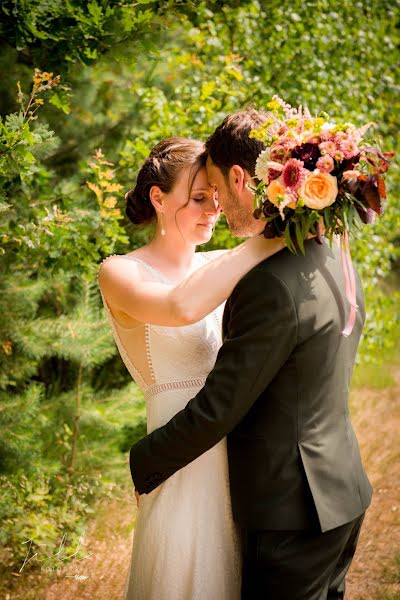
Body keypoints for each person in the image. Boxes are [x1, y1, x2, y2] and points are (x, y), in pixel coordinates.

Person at [129, 112, 373, 600]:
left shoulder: (268, 284)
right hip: (339, 490)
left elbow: (223, 403)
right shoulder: (328, 257)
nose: (216, 204)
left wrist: (144, 459)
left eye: (216, 188)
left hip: (291, 510)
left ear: (240, 178)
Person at [97, 137, 286, 600]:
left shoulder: (223, 262)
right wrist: (269, 238)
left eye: (217, 198)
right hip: (179, 454)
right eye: (199, 198)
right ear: (158, 199)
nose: (213, 210)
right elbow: (181, 307)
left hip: (241, 451)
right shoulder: (120, 272)